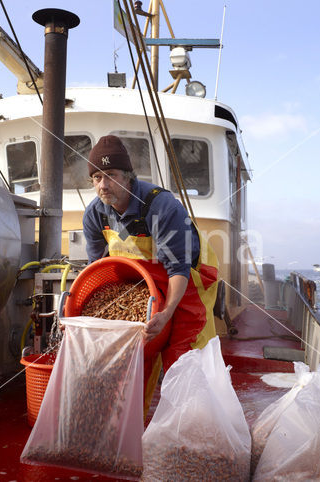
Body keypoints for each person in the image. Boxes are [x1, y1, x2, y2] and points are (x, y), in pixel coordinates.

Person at [82, 135, 218, 415]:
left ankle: (194, 423)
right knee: (132, 356)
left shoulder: (160, 206)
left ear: (128, 176)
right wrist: (81, 319)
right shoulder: (95, 214)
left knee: (184, 353)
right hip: (143, 280)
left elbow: (177, 268)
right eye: (96, 177)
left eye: (111, 175)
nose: (103, 185)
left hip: (189, 277)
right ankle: (132, 424)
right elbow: (97, 267)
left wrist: (166, 313)